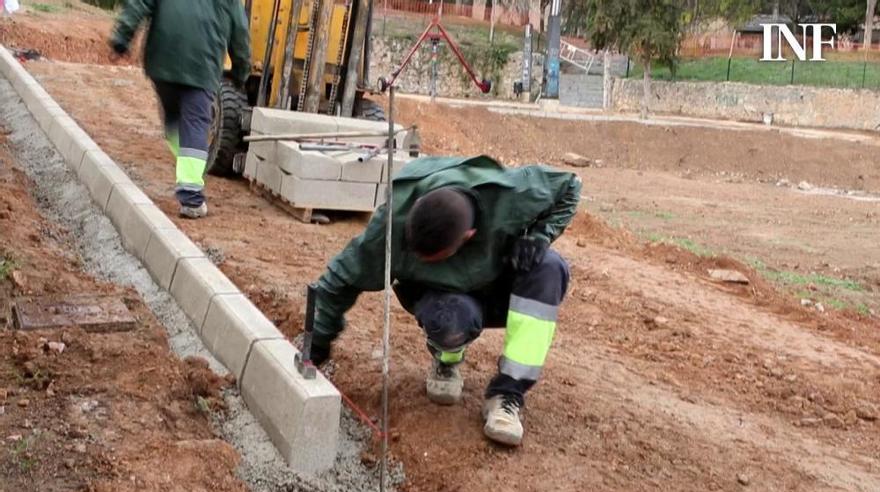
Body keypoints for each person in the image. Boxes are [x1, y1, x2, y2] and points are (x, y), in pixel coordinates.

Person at [310, 155, 581, 446]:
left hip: (498, 280)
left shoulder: (514, 193)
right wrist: (317, 342)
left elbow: (570, 185)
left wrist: (540, 236)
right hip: (444, 297)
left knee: (549, 267)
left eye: (433, 259)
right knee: (448, 319)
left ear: (468, 236)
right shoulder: (393, 223)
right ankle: (447, 358)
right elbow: (339, 279)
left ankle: (508, 392)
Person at [109, 0, 251, 218]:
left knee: (173, 117)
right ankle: (191, 197)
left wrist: (122, 39)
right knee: (195, 125)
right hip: (202, 65)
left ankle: (188, 161)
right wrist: (241, 73)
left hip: (162, 63)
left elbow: (138, 4)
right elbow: (239, 32)